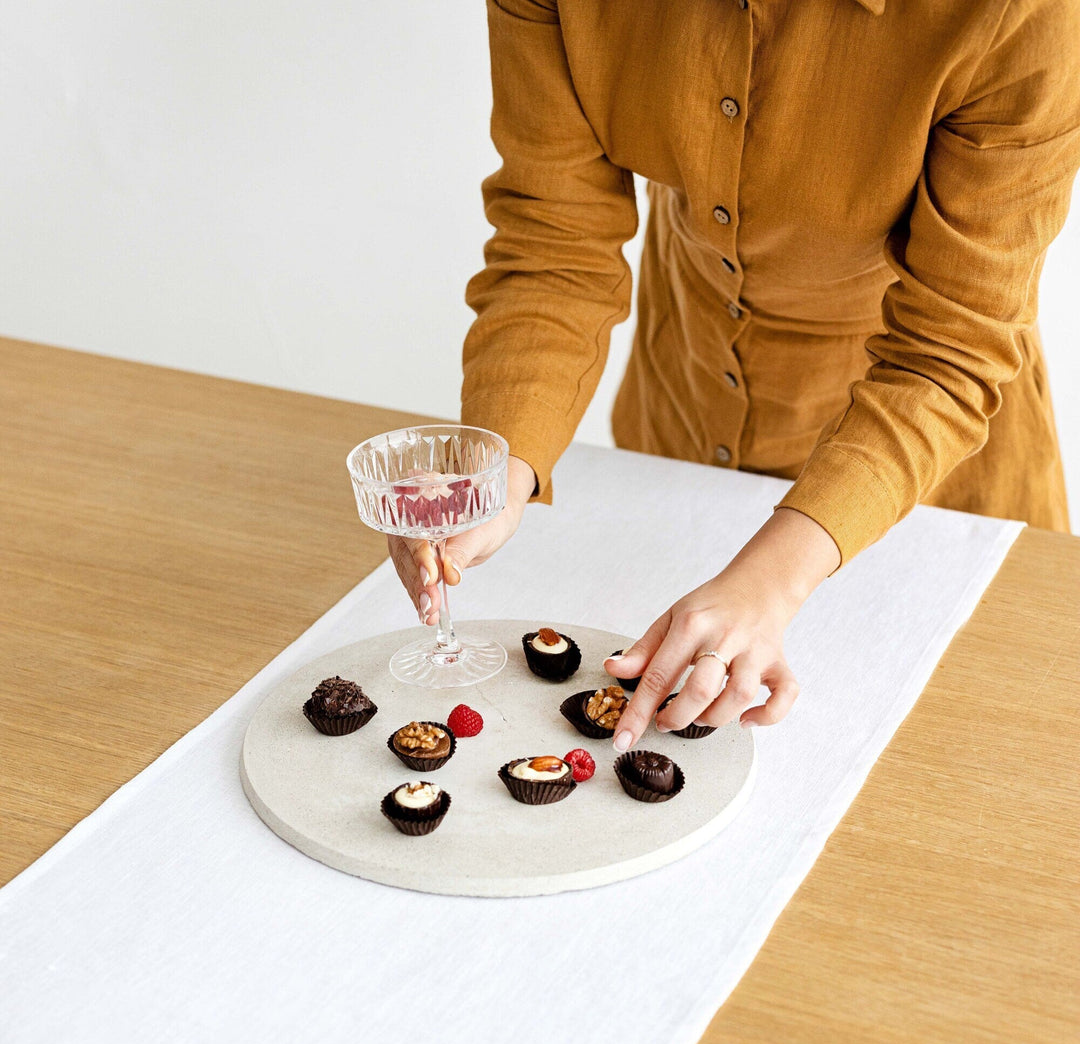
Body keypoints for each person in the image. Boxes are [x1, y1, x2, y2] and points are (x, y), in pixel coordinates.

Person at [389, 0, 1080, 750]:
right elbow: (554, 243)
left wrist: (772, 578)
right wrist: (503, 461)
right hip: (679, 422)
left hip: (929, 484)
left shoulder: (1024, 14)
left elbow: (951, 346)